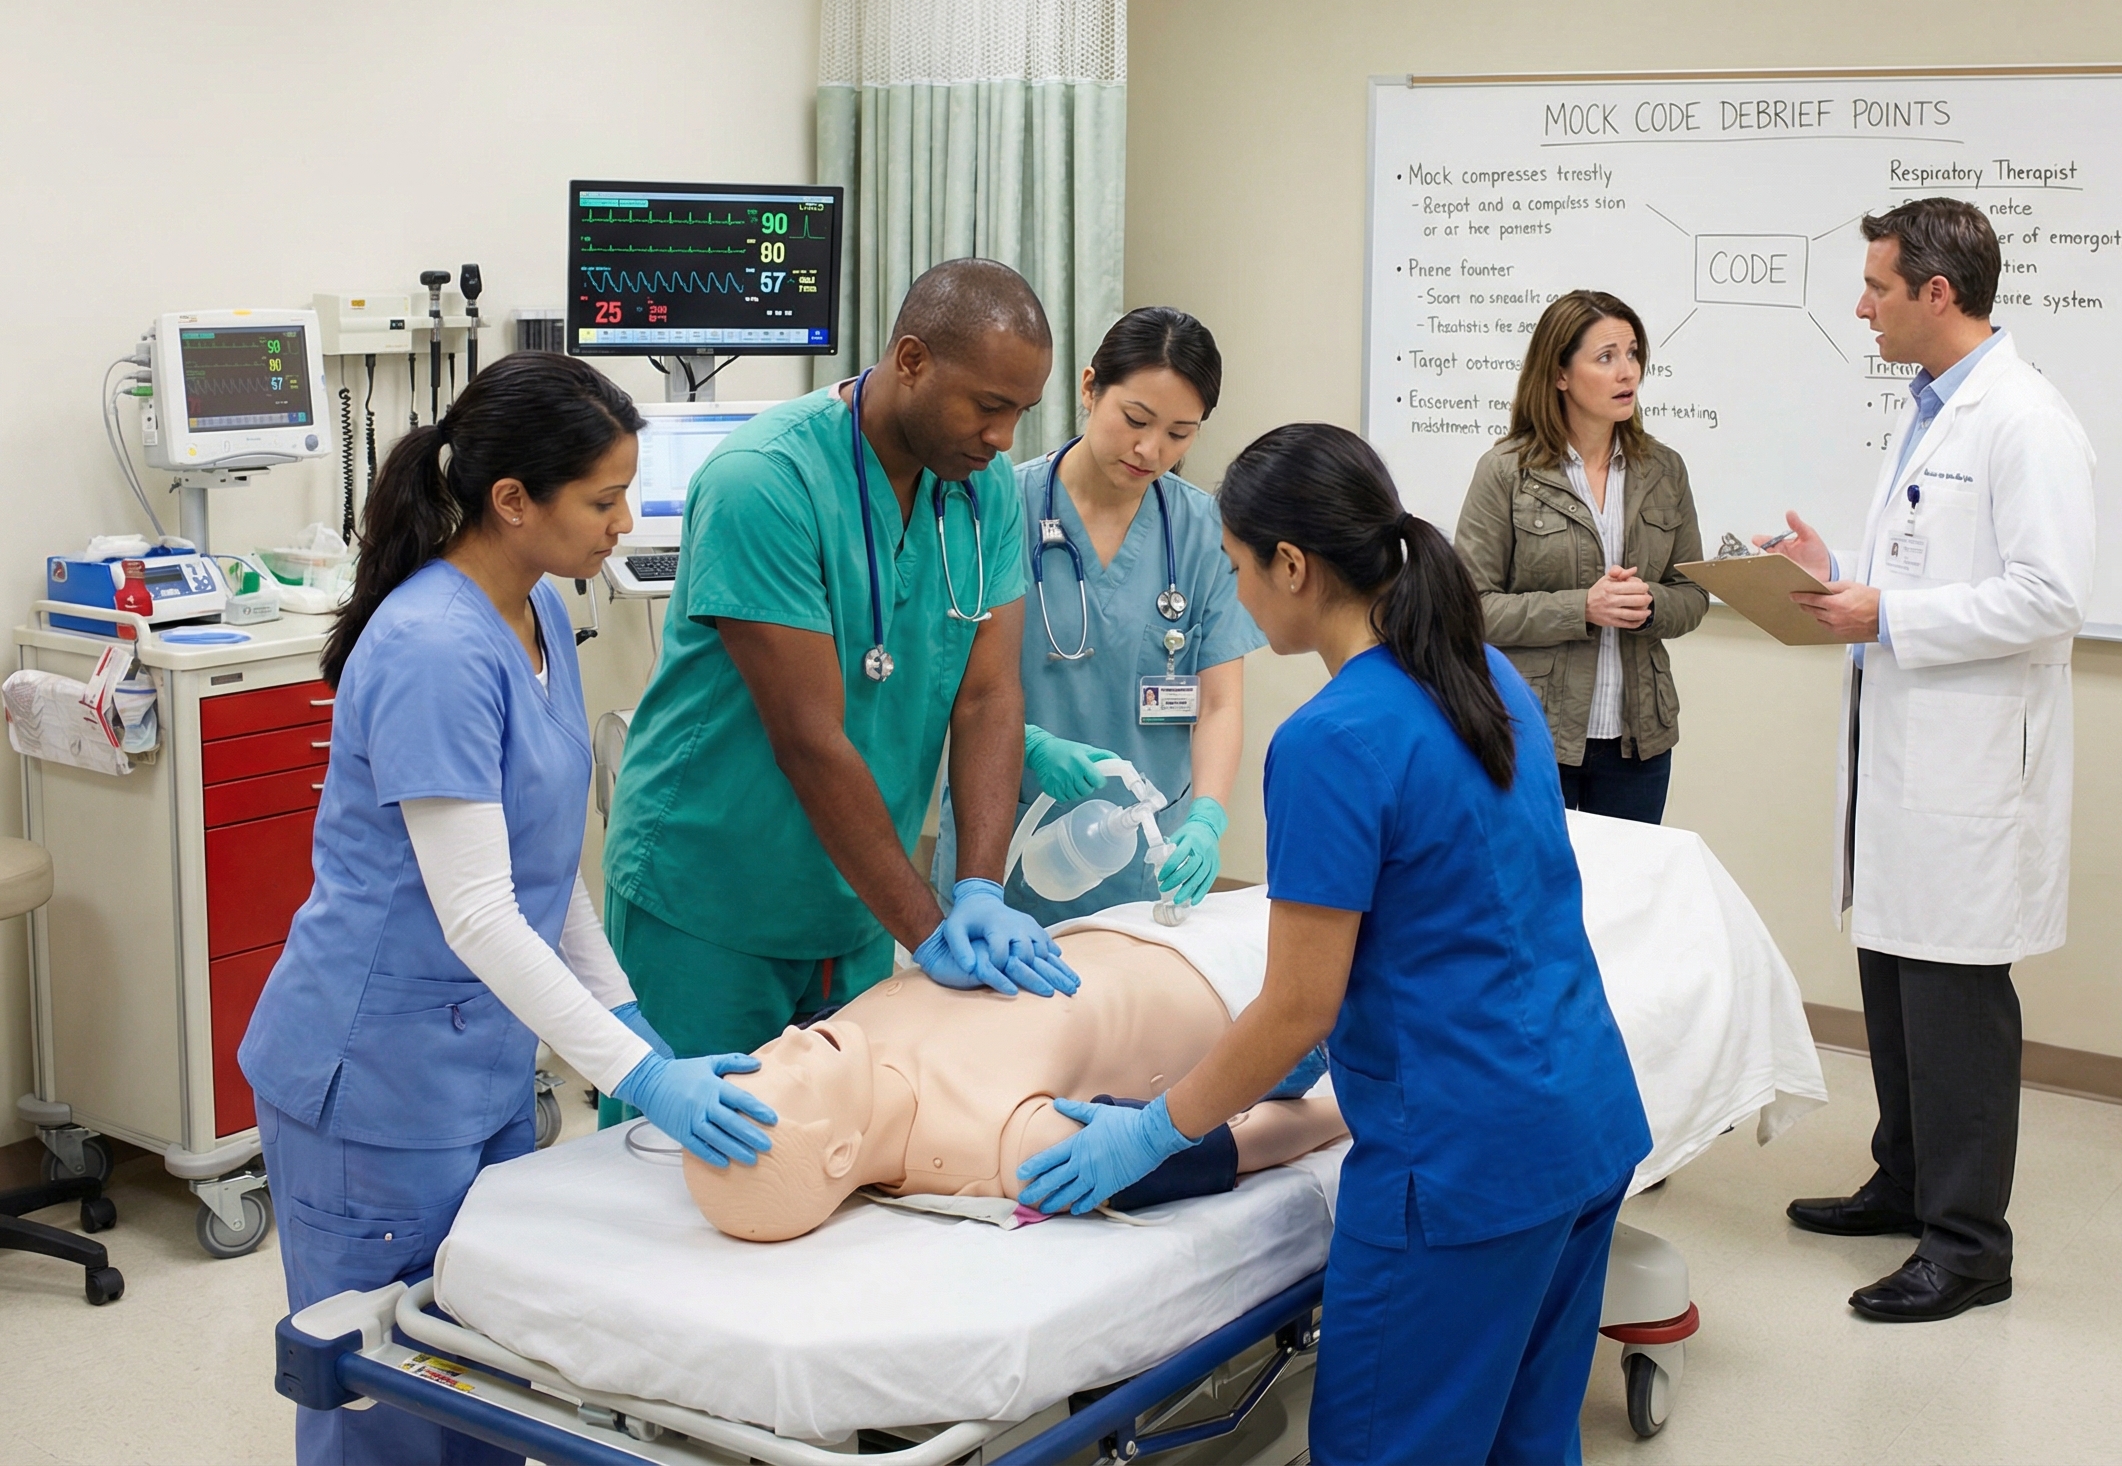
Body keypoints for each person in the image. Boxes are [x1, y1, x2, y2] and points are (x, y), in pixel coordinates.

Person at [1013, 423, 1652, 1466]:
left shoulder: (1330, 740)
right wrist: (1303, 1063)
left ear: (1293, 565)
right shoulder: (1487, 675)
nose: (1235, 593)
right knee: (1528, 1445)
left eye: (1235, 568)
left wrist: (1154, 1133)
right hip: (1584, 1121)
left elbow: (1298, 1003)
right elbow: (1463, 913)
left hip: (1462, 1168)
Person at [240, 354, 779, 1466]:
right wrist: (641, 1080)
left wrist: (633, 1028)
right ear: (513, 500)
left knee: (489, 1383)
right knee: (387, 1401)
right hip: (373, 1082)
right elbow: (483, 915)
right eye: (603, 499)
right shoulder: (435, 648)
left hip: (477, 1067)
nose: (626, 524)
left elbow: (546, 870)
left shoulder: (535, 610)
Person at [602, 260, 1080, 1120]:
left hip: (856, 901)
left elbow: (989, 698)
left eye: (1021, 411)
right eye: (987, 406)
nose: (1004, 437)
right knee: (674, 1169)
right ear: (911, 360)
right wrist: (926, 930)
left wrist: (978, 888)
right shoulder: (765, 480)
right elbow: (808, 740)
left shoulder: (981, 495)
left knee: (845, 1153)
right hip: (713, 898)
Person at [1759, 199, 2094, 1324]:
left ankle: (1968, 1245)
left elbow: (2050, 596)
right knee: (1897, 984)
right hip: (1907, 755)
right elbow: (1927, 560)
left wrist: (1887, 614)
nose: (1862, 308)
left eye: (1877, 287)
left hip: (1970, 770)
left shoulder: (2025, 419)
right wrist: (1837, 572)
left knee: (1955, 1007)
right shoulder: (1930, 407)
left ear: (1936, 293)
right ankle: (1904, 1182)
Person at [681, 913, 1350, 1241]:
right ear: (839, 1154)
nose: (792, 1038)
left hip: (1138, 919)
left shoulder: (840, 1042)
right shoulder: (998, 1144)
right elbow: (1229, 1146)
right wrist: (1350, 1110)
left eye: (763, 1057)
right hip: (1256, 983)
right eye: (790, 1076)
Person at [933, 307, 1265, 921]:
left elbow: (1220, 703)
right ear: (1090, 388)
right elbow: (940, 674)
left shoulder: (1205, 532)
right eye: (1135, 419)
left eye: (1180, 433)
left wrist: (1207, 818)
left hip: (1144, 860)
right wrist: (1028, 744)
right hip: (1006, 838)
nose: (1150, 449)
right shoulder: (998, 505)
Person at [1453, 290, 1705, 824]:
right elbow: (1470, 608)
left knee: (1628, 879)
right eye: (1606, 357)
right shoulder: (1506, 472)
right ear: (1560, 374)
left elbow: (1692, 595)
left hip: (1640, 741)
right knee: (1532, 877)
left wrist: (1650, 605)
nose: (1628, 372)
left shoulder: (1665, 470)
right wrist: (1581, 608)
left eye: (1633, 353)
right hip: (1533, 733)